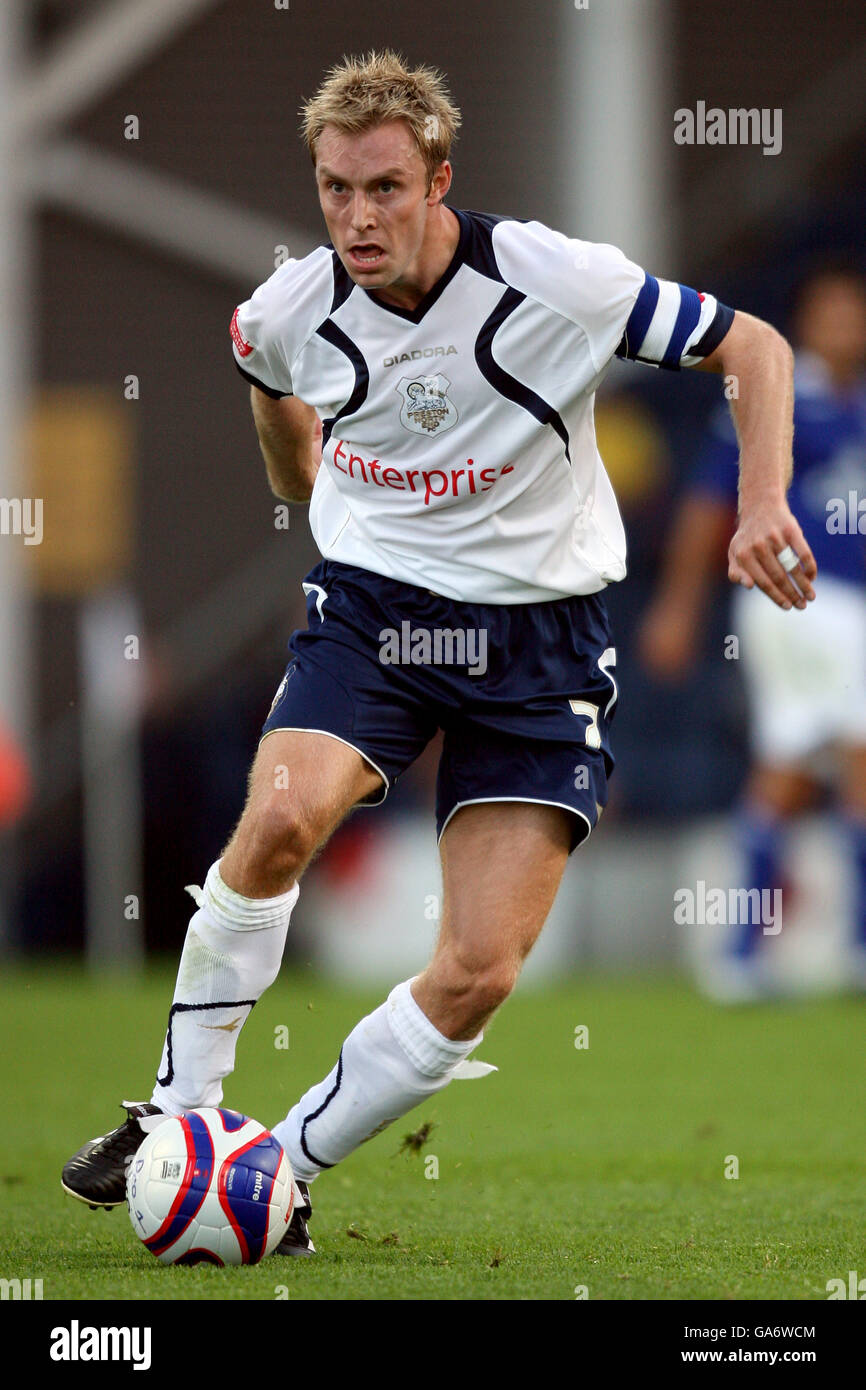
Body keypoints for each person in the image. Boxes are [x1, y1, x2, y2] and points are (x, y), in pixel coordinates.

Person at [62, 50, 815, 1254]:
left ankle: (273, 1170)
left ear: (437, 181)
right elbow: (262, 365)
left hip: (539, 641)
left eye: (384, 188)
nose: (358, 217)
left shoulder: (554, 279)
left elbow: (756, 348)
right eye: (335, 189)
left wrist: (762, 501)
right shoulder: (289, 307)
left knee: (475, 971)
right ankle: (177, 1110)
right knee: (278, 818)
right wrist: (298, 472)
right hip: (376, 613)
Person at [640, 261, 866, 1001]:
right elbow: (708, 504)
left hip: (849, 610)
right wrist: (679, 606)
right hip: (800, 599)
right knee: (846, 761)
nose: (845, 325)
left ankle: (744, 954)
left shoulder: (858, 405)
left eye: (853, 311)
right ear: (806, 323)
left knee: (789, 770)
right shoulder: (774, 398)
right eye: (831, 311)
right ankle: (836, 948)